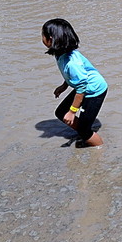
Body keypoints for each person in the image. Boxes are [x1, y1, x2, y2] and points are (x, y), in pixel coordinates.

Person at [42, 18, 107, 148]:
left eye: (42, 35)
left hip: (94, 91)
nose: (41, 38)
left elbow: (81, 88)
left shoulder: (72, 63)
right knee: (61, 112)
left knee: (83, 128)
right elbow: (72, 76)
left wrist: (72, 112)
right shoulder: (60, 53)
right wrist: (64, 85)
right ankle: (84, 132)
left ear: (50, 39)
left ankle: (99, 149)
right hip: (83, 87)